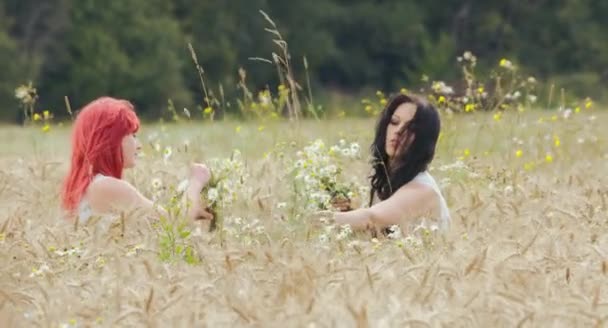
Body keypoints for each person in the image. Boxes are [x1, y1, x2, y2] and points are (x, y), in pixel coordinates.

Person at [61, 97, 212, 225]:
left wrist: (193, 208)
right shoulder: (106, 186)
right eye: (132, 135)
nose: (139, 145)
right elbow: (175, 223)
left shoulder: (89, 186)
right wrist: (197, 179)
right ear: (110, 140)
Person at [322, 93, 450, 234]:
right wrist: (347, 212)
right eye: (394, 122)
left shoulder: (422, 190)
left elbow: (371, 219)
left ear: (423, 140)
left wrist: (319, 220)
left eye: (411, 128)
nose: (398, 131)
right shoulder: (386, 183)